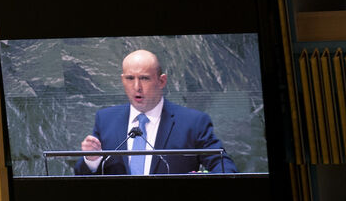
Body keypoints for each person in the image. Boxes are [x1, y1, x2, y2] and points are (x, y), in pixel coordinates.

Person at [74, 49, 237, 175]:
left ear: (161, 81)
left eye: (144, 78)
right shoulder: (105, 120)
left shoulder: (193, 123)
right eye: (130, 78)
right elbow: (82, 176)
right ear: (122, 80)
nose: (137, 86)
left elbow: (223, 166)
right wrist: (91, 160)